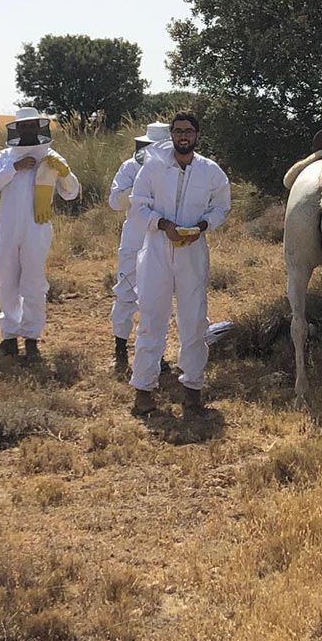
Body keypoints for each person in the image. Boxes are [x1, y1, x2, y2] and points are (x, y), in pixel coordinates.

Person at [126, 112, 230, 416]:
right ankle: (144, 390)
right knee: (151, 319)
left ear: (197, 136)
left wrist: (202, 226)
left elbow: (222, 207)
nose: (183, 136)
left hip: (193, 252)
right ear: (171, 135)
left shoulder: (210, 172)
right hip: (157, 249)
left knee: (194, 320)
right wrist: (162, 224)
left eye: (188, 131)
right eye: (178, 131)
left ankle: (192, 390)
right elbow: (137, 207)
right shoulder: (153, 169)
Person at [0, 107, 80, 361]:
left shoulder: (51, 157)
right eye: (23, 127)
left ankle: (32, 338)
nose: (27, 131)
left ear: (39, 127)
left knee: (34, 283)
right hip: (8, 229)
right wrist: (14, 167)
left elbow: (71, 193)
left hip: (37, 229)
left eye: (31, 126)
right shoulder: (5, 156)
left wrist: (65, 173)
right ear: (17, 129)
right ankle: (10, 337)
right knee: (7, 282)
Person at [108, 121, 173, 375]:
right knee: (126, 292)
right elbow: (115, 201)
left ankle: (154, 354)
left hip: (162, 239)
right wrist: (136, 187)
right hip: (134, 239)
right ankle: (120, 349)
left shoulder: (175, 170)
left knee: (158, 298)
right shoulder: (129, 167)